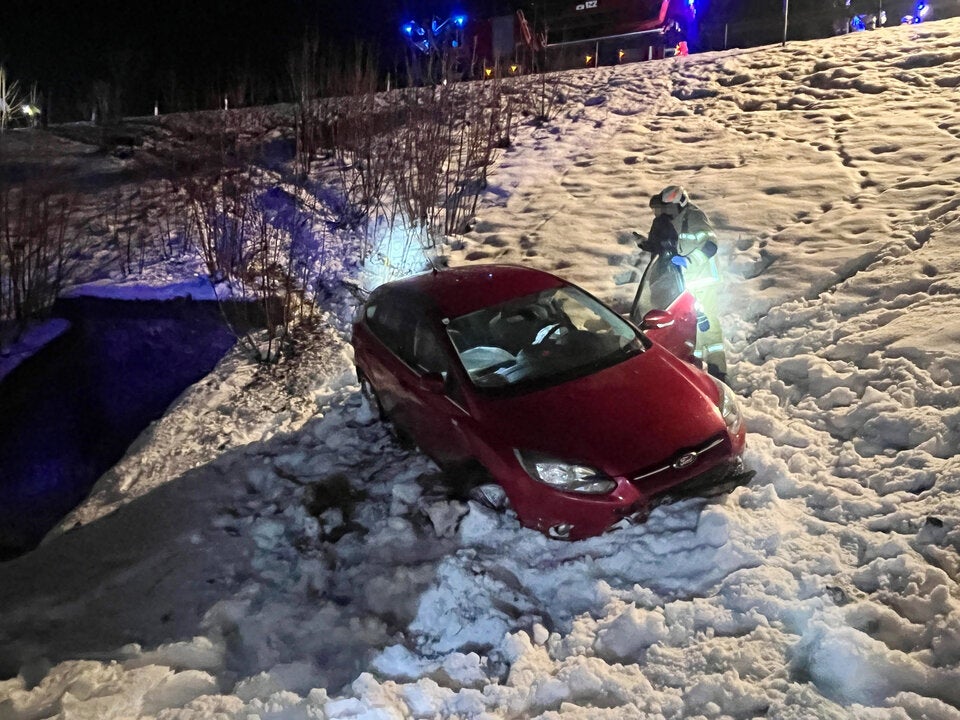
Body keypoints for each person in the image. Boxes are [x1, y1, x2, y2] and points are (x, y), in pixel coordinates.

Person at [644, 185, 727, 380]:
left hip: (704, 280)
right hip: (682, 282)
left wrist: (689, 261)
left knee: (709, 325)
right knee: (688, 328)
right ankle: (695, 371)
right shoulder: (665, 222)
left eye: (671, 208)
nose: (667, 213)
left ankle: (718, 371)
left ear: (681, 204)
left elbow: (710, 246)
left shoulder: (695, 217)